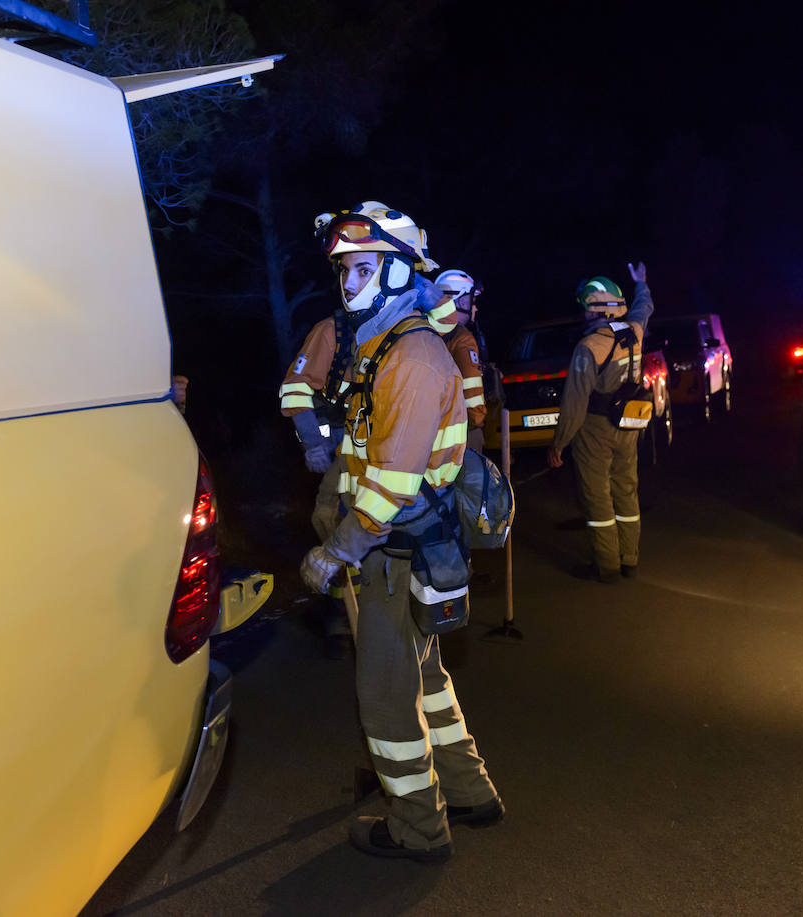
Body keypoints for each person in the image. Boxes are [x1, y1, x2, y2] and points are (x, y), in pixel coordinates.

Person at [299, 202, 502, 863]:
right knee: (429, 680)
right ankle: (470, 793)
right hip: (407, 552)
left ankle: (419, 828)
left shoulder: (412, 358)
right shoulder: (386, 346)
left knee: (388, 700)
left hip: (391, 553)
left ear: (397, 274)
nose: (347, 284)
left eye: (363, 269)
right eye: (343, 271)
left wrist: (334, 553)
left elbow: (388, 487)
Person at [546, 264, 654, 583]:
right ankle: (629, 559)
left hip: (595, 429)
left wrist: (559, 444)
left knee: (597, 495)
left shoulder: (589, 347)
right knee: (626, 488)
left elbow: (575, 404)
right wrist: (642, 283)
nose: (583, 316)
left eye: (586, 309)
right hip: (629, 425)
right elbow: (644, 306)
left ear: (597, 309)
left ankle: (607, 566)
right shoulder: (634, 331)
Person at [280, 315, 357, 658]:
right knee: (330, 520)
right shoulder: (332, 332)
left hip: (391, 455)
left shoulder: (409, 329)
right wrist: (313, 442)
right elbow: (295, 388)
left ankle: (363, 615)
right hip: (344, 451)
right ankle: (344, 610)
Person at [430, 269, 488, 452]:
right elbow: (472, 396)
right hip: (461, 433)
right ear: (462, 300)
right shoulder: (462, 338)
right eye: (473, 301)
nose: (475, 308)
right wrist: (477, 419)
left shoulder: (424, 330)